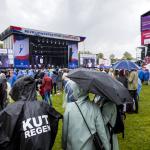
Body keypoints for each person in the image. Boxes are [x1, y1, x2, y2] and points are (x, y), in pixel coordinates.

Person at [0, 76, 62, 150]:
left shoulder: (10, 110)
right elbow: (53, 126)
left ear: (17, 90)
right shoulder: (44, 105)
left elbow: (4, 139)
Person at [62, 80, 110, 150]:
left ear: (77, 90)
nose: (73, 92)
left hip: (72, 146)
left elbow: (65, 131)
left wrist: (64, 145)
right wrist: (107, 147)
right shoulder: (94, 107)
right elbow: (102, 132)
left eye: (74, 89)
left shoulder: (69, 107)